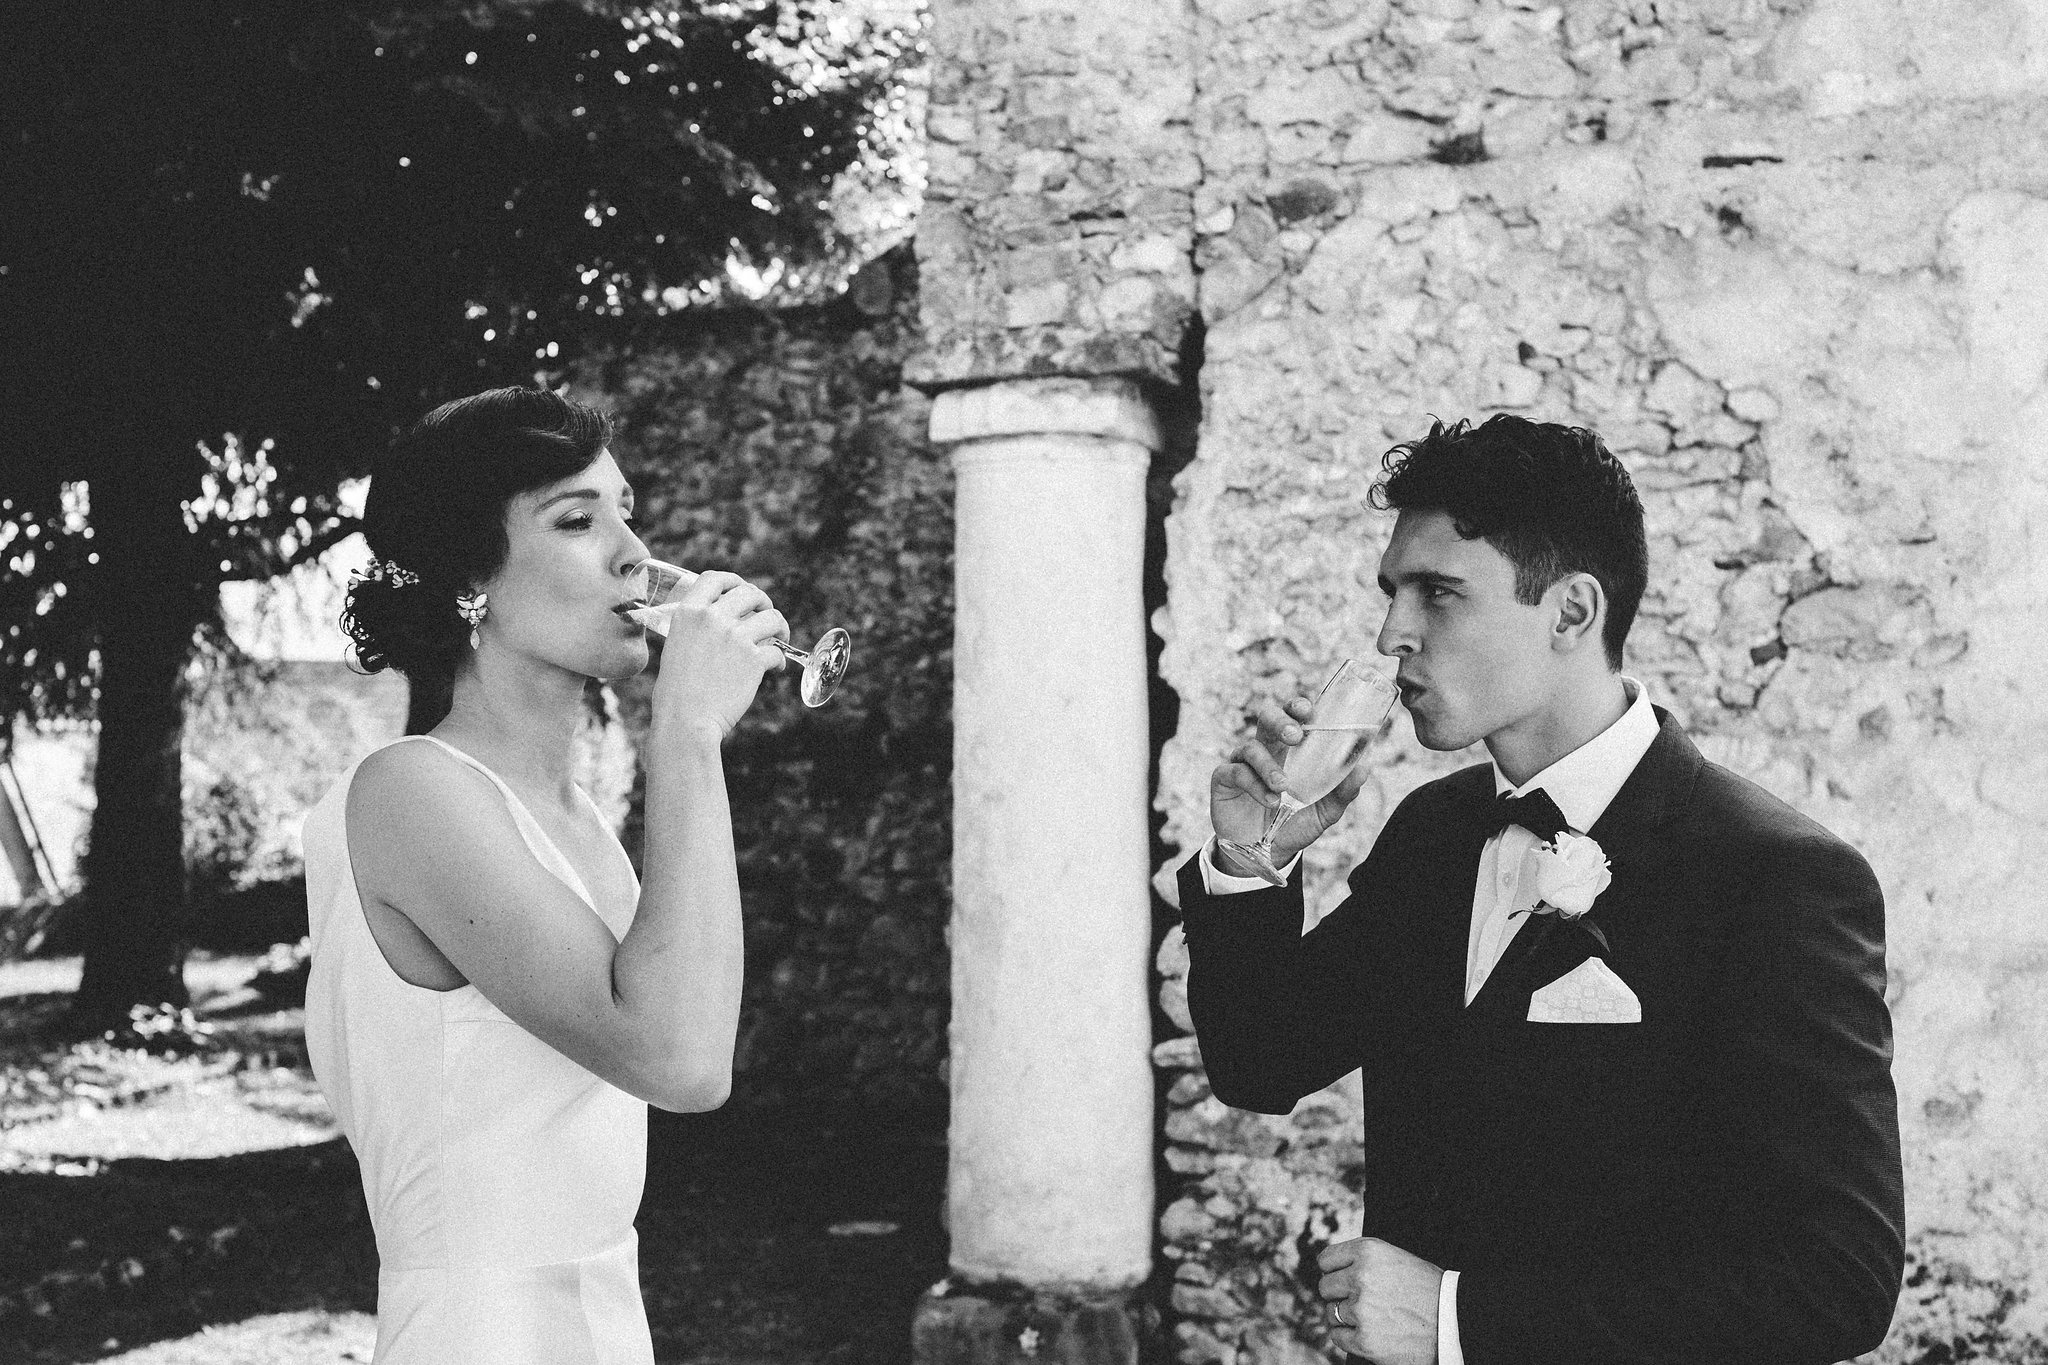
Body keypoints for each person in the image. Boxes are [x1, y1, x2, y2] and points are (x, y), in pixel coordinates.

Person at [1178, 415, 1904, 1365]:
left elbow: (1837, 1281)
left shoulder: (1776, 878)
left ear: (1571, 612)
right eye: (1392, 592)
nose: (1394, 632)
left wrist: (1457, 1324)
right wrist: (1251, 859)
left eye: (1438, 593)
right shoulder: (1434, 836)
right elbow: (1262, 1062)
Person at [302, 386, 789, 1364]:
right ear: (464, 583)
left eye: (627, 513)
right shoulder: (409, 793)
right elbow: (681, 1063)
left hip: (602, 1313)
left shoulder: (568, 819)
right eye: (577, 520)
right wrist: (688, 735)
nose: (634, 557)